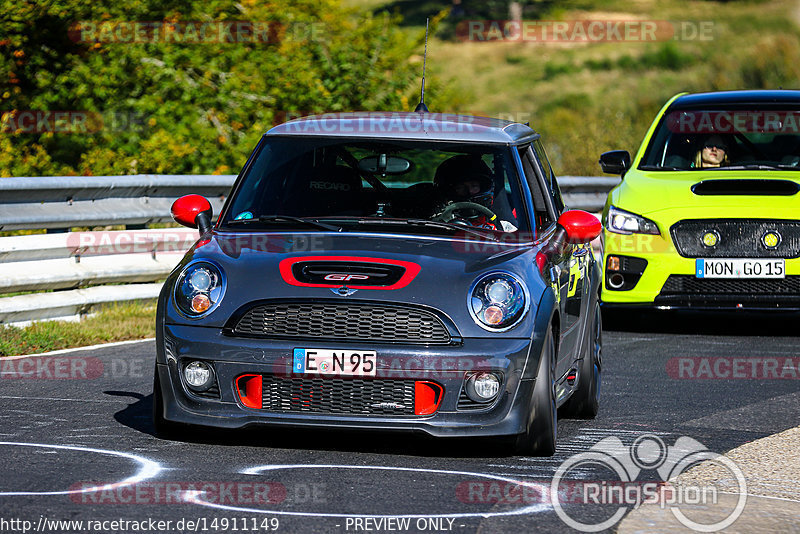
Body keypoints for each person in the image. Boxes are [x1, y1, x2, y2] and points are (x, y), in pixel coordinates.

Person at [433, 155, 517, 232]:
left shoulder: (502, 224)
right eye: (461, 188)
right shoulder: (435, 224)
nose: (470, 192)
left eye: (474, 186)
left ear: (483, 186)